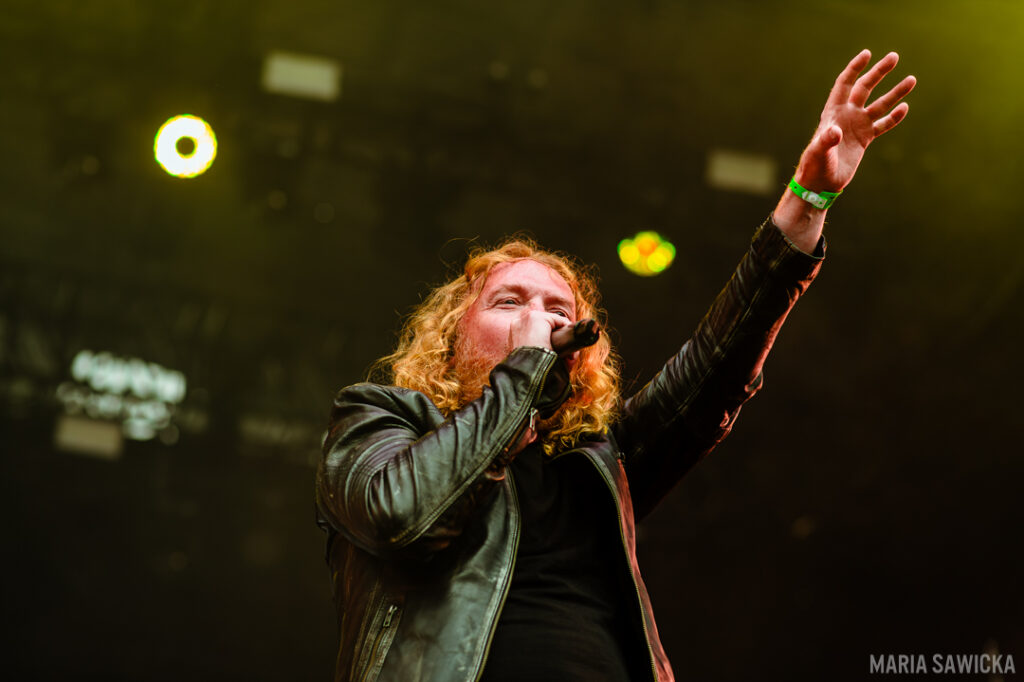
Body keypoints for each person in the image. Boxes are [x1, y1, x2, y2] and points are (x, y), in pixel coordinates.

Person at [315, 50, 916, 682]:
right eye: (509, 302)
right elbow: (403, 518)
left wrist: (808, 199)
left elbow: (715, 365)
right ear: (453, 335)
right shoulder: (377, 418)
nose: (538, 318)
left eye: (557, 309)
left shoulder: (602, 458)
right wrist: (522, 372)